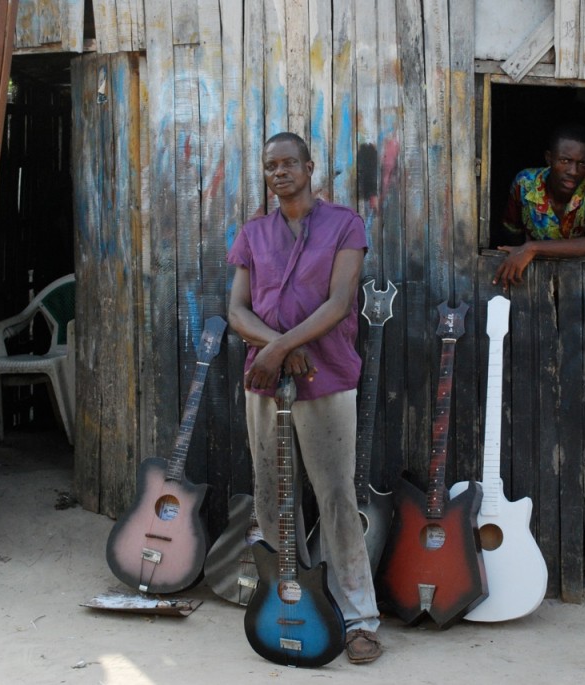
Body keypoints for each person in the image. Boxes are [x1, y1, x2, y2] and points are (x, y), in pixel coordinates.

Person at [226, 132, 382, 664]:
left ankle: (360, 618)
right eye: (271, 166)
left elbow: (340, 302)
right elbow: (236, 311)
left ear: (310, 167)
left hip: (329, 375)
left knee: (337, 498)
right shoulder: (253, 233)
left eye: (290, 163)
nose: (280, 172)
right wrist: (275, 352)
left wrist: (282, 347)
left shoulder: (346, 226)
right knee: (271, 496)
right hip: (265, 381)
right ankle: (284, 602)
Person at [492, 123, 585, 291]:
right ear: (549, 158)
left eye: (582, 163)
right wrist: (520, 255)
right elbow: (511, 231)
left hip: (584, 286)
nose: (573, 170)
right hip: (530, 282)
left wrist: (531, 248)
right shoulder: (525, 183)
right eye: (565, 161)